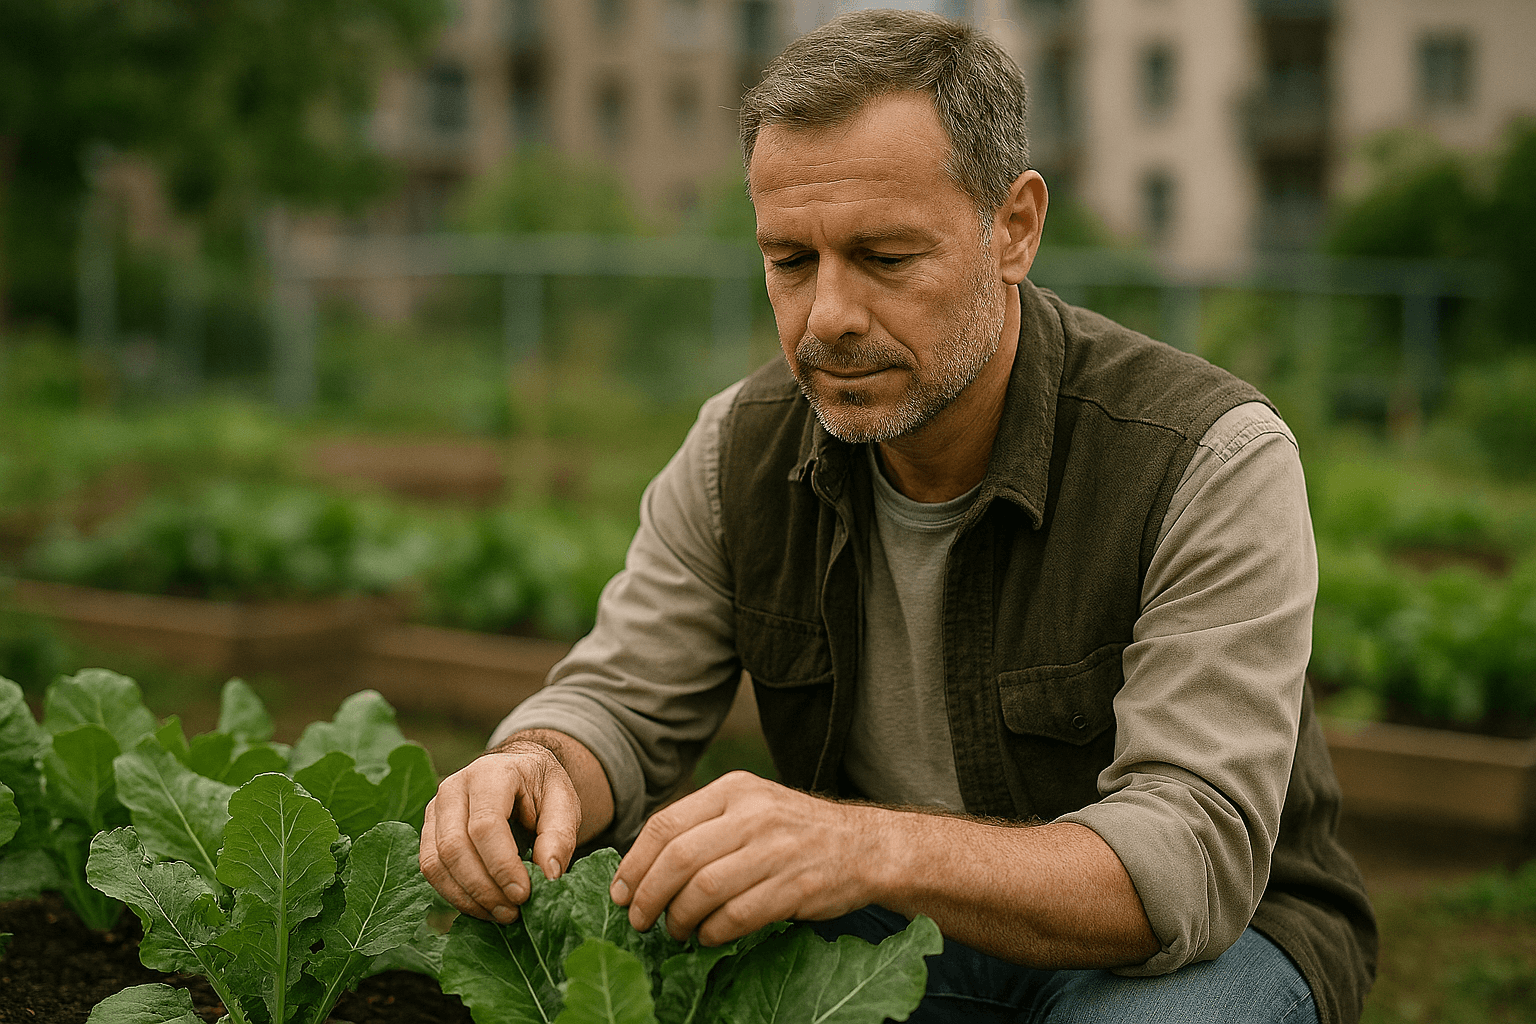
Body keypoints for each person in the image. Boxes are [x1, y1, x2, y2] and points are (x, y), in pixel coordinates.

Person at [419, 9, 1376, 1022]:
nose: (827, 313)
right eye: (791, 260)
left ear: (1013, 229)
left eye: (882, 256)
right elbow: (621, 701)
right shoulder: (740, 448)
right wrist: (533, 764)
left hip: (1196, 949)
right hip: (885, 923)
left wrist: (862, 845)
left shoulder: (1206, 455)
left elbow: (1186, 862)